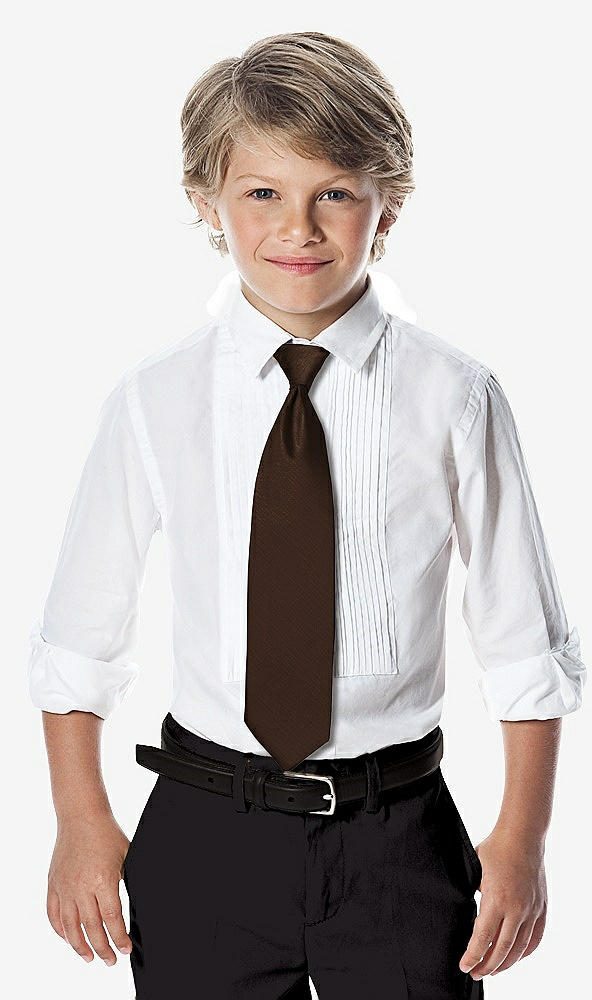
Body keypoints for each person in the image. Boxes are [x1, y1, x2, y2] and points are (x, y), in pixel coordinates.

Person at [28, 30, 587, 1000]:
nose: (299, 228)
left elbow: (522, 640)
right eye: (262, 193)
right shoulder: (155, 399)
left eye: (333, 193)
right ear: (206, 200)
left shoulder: (454, 396)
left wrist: (522, 838)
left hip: (397, 832)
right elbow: (80, 633)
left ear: (387, 202)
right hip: (206, 826)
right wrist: (81, 821)